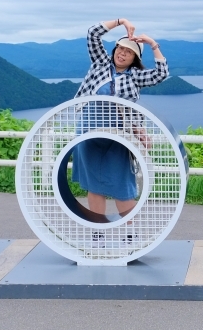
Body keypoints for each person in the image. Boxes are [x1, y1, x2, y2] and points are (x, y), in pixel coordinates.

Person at [71, 18, 168, 222]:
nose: (123, 53)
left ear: (134, 58)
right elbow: (93, 34)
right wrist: (120, 21)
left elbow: (161, 74)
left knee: (122, 185)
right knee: (94, 184)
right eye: (121, 49)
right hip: (88, 130)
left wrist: (153, 44)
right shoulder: (100, 63)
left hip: (118, 134)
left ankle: (130, 234)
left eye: (129, 52)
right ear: (115, 49)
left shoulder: (135, 76)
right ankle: (98, 231)